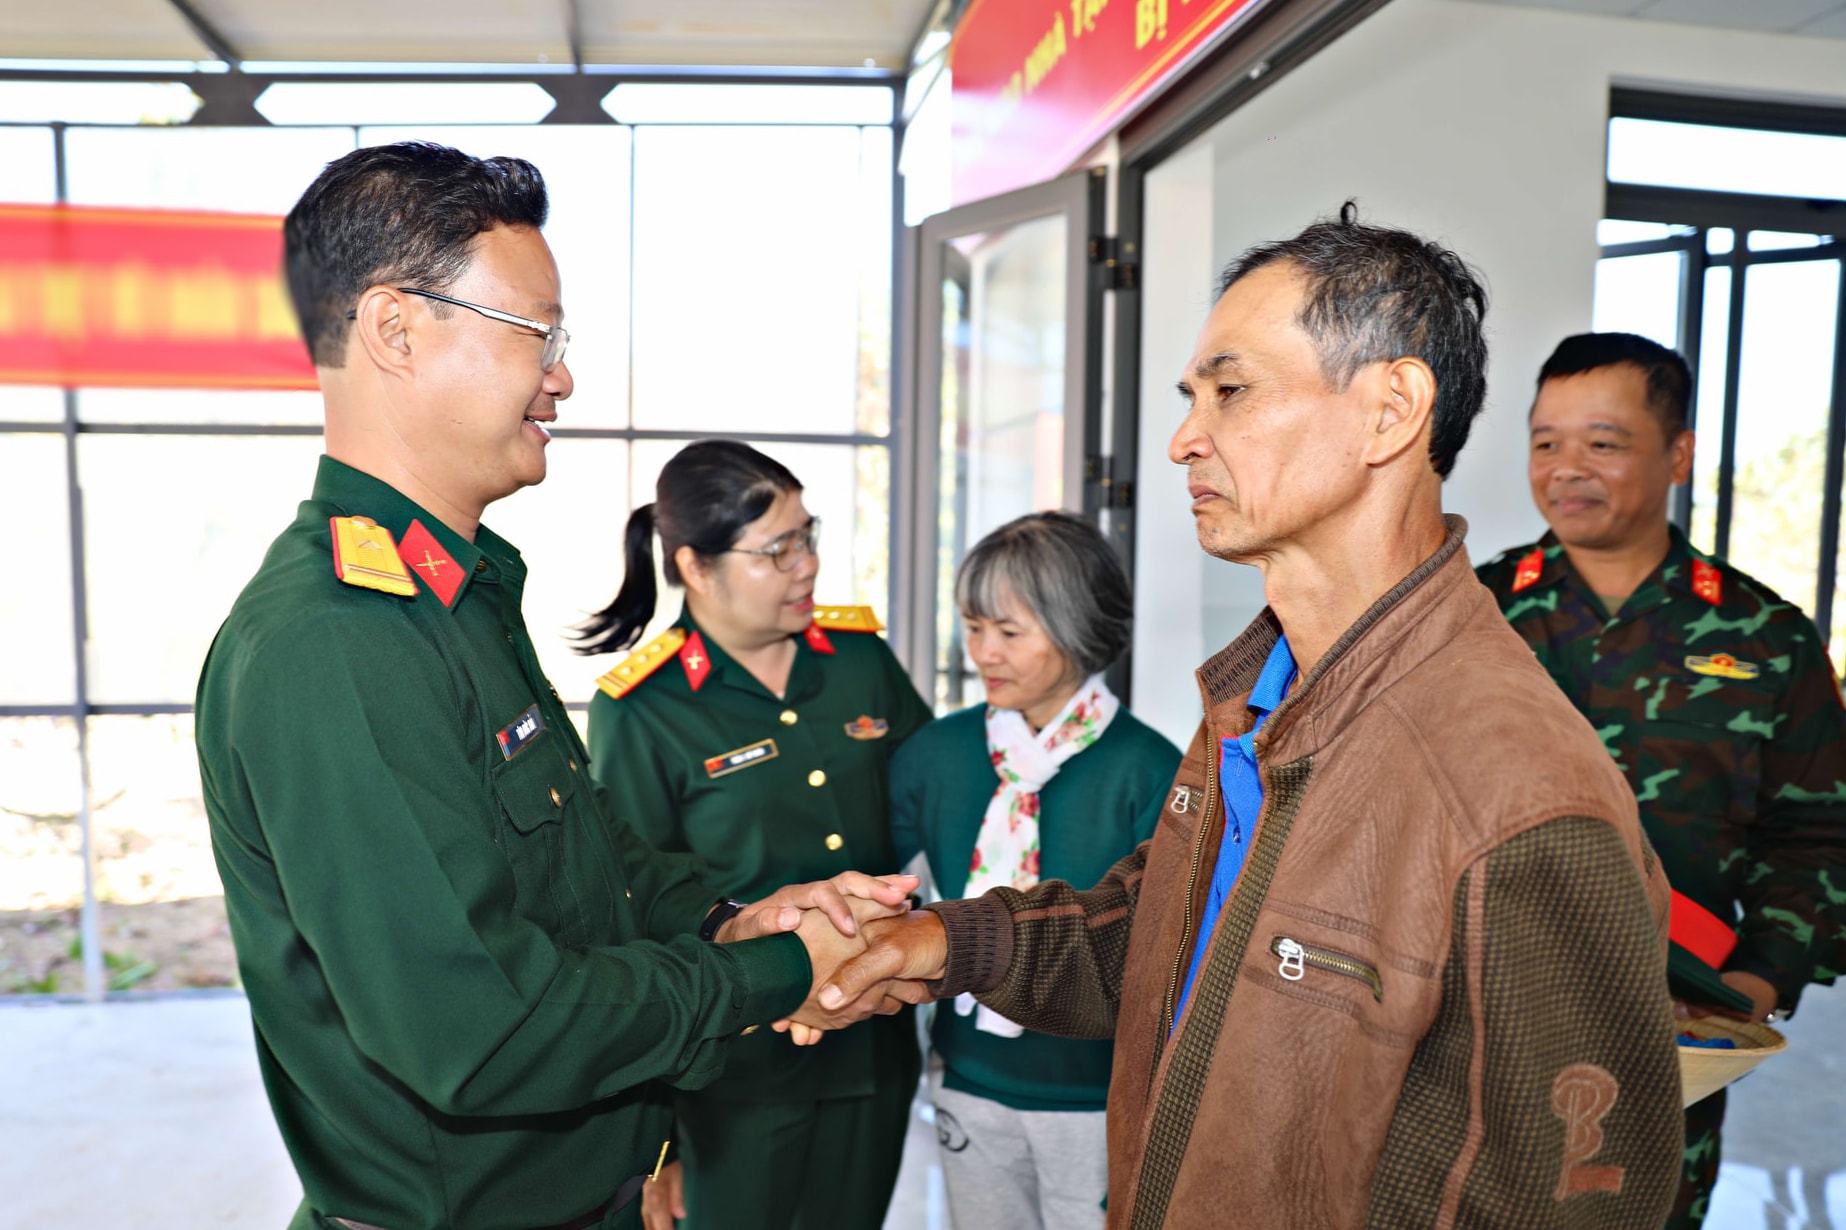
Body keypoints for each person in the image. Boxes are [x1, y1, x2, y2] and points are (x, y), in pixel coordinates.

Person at [813, 204, 1685, 1228]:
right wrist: (942, 942)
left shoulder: (1516, 792)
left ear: (1391, 410)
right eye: (1192, 399)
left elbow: (1566, 1203)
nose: (1184, 439)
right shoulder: (1261, 696)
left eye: (1230, 392)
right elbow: (1171, 942)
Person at [195, 142, 908, 1230]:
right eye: (538, 334)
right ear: (395, 330)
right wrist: (775, 972)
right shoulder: (340, 642)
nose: (562, 376)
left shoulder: (458, 594)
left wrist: (734, 921)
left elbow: (596, 871)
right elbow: (484, 1032)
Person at [1475, 331, 1846, 1228]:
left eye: (1602, 442)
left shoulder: (1765, 638)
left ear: (1678, 455)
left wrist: (1754, 985)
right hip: (1484, 1024)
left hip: (1673, 1028)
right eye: (1546, 442)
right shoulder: (1469, 616)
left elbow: (1816, 836)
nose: (1566, 468)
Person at [573, 439, 934, 1230]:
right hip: (734, 1067)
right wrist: (658, 1142)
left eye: (808, 537)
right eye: (777, 550)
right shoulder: (643, 708)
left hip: (872, 1038)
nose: (807, 565)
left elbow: (935, 796)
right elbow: (636, 914)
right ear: (697, 567)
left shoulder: (859, 660)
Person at [888, 511, 1181, 1230]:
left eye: (1009, 632)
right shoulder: (933, 756)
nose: (983, 652)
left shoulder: (1149, 770)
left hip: (1095, 1094)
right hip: (969, 1079)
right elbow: (884, 887)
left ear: (1078, 628)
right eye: (972, 626)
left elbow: (1164, 949)